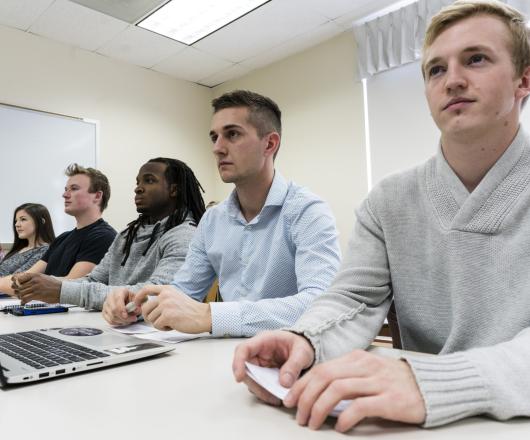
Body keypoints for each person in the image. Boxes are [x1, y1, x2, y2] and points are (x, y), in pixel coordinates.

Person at [232, 0, 530, 432]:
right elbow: (354, 299)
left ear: (524, 80)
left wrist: (435, 382)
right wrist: (305, 338)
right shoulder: (389, 200)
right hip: (417, 421)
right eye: (435, 70)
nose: (453, 81)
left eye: (476, 59)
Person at [103, 90, 341, 337]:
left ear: (269, 144)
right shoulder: (213, 220)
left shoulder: (307, 211)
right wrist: (135, 305)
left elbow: (322, 303)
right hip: (225, 354)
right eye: (214, 137)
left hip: (288, 357)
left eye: (232, 134)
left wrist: (210, 316)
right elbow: (184, 291)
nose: (217, 148)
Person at [13, 158, 205, 309]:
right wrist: (43, 284)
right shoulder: (126, 235)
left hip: (158, 339)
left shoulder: (184, 235)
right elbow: (94, 279)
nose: (138, 187)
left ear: (174, 190)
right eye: (138, 181)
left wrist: (61, 290)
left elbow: (153, 295)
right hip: (113, 325)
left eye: (149, 180)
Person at [0, 163, 116, 295]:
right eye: (66, 189)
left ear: (97, 196)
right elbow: (25, 278)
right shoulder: (62, 239)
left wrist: (25, 284)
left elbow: (70, 287)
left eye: (74, 189)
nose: (65, 194)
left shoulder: (103, 237)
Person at [0, 203, 55, 277]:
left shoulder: (45, 250)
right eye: (16, 221)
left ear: (41, 222)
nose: (17, 224)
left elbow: (18, 279)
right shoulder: (19, 248)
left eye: (23, 219)